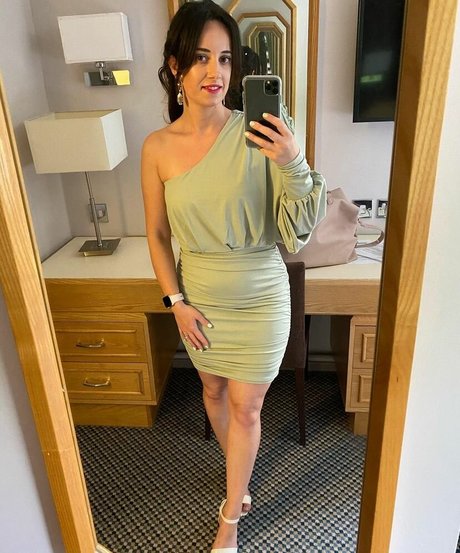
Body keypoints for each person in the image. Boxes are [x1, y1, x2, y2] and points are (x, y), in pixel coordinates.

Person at [141, 1, 326, 551]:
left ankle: (230, 516)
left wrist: (292, 160)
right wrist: (175, 302)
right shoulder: (157, 147)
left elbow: (299, 227)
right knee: (213, 390)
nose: (215, 72)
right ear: (175, 65)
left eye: (225, 59)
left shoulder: (261, 131)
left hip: (261, 294)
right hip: (198, 298)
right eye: (200, 57)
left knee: (247, 408)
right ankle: (238, 476)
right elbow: (157, 235)